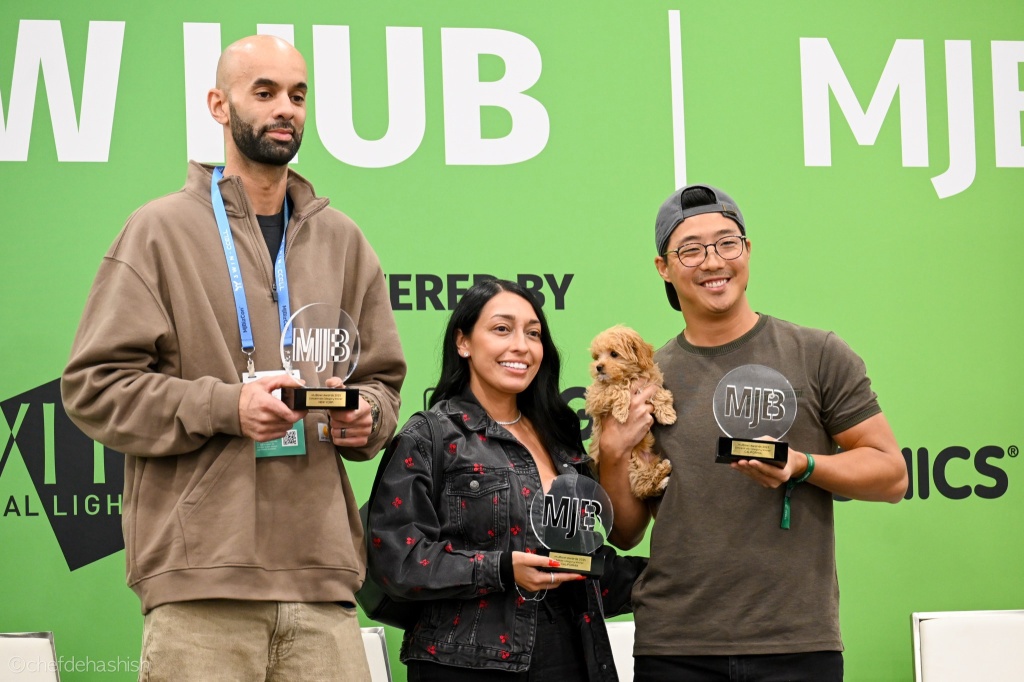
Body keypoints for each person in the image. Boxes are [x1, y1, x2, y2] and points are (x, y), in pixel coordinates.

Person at [60, 35, 406, 681]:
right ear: (219, 105)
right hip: (201, 583)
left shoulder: (343, 240)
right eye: (264, 92)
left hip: (323, 580)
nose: (285, 109)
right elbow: (95, 387)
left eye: (297, 95)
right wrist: (225, 406)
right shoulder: (159, 230)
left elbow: (381, 382)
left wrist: (366, 417)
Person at [597, 184, 907, 681]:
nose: (713, 261)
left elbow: (892, 476)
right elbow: (626, 532)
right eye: (690, 250)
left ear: (747, 249)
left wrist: (802, 465)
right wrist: (613, 454)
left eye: (727, 243)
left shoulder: (817, 353)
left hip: (795, 640)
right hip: (675, 644)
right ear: (663, 268)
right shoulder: (645, 381)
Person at [367, 279, 645, 681]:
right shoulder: (430, 435)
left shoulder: (560, 439)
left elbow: (584, 566)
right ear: (463, 342)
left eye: (533, 333)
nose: (521, 346)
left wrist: (682, 578)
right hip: (465, 665)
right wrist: (501, 568)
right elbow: (399, 562)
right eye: (502, 329)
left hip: (570, 656)